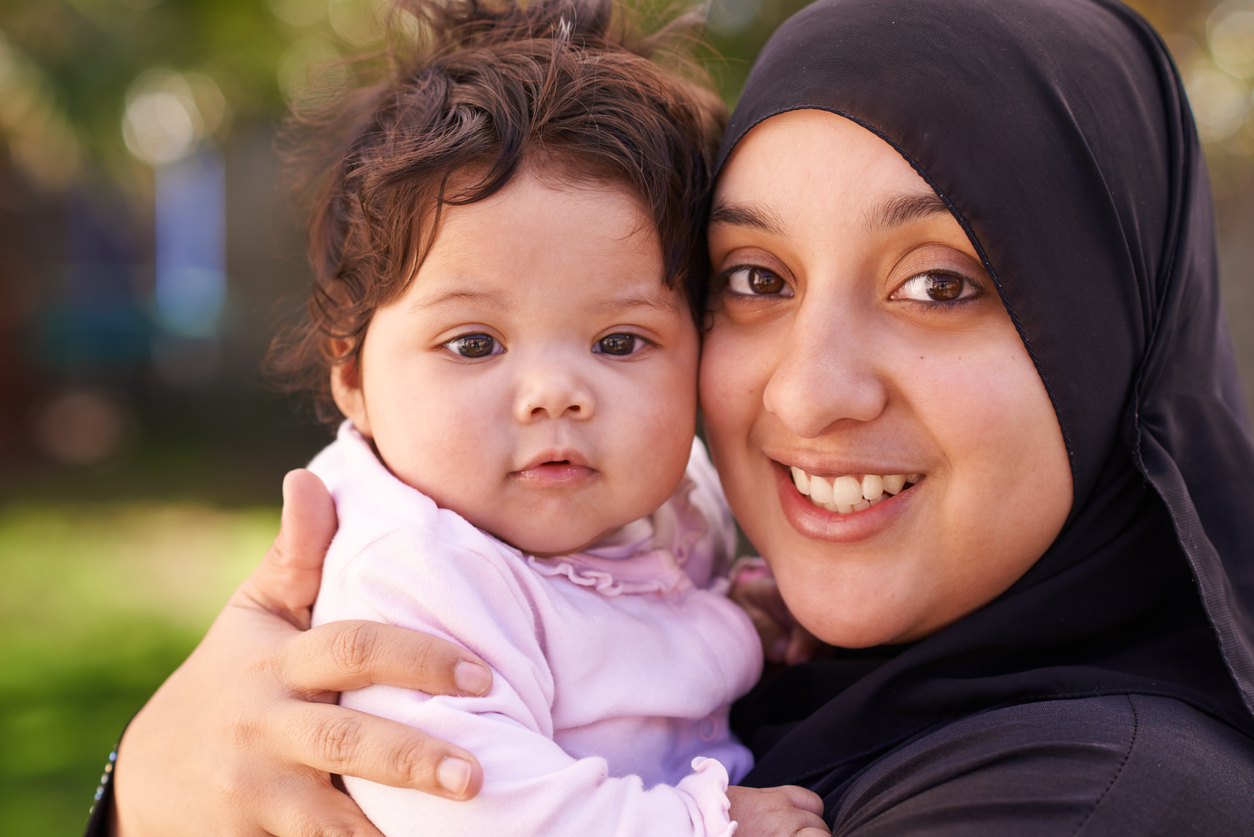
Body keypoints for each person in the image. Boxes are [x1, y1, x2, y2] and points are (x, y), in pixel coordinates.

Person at [89, 0, 1254, 834]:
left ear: (1114, 334)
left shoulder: (1100, 794)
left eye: (941, 283)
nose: (808, 391)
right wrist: (158, 785)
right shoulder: (766, 643)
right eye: (754, 277)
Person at [256, 0, 827, 833]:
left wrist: (736, 620)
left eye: (621, 340)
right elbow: (472, 802)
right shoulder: (414, 571)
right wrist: (706, 824)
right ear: (352, 372)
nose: (553, 393)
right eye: (477, 343)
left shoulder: (670, 494)